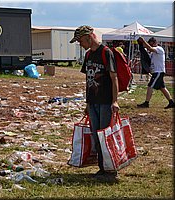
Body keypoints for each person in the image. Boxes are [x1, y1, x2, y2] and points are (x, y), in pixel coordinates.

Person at [70, 25, 119, 181]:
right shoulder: (88, 55)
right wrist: (87, 103)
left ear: (89, 37)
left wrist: (115, 101)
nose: (79, 44)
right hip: (93, 102)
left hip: (105, 102)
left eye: (80, 40)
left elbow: (114, 78)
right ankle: (102, 168)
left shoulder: (106, 53)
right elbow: (89, 81)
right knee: (96, 136)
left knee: (104, 136)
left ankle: (111, 171)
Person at [137, 37, 175, 109]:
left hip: (158, 71)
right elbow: (148, 56)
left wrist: (143, 41)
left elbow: (150, 48)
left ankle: (146, 103)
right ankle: (171, 102)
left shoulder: (159, 48)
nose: (150, 45)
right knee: (162, 88)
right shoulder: (153, 52)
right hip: (157, 71)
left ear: (155, 43)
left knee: (150, 85)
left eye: (151, 44)